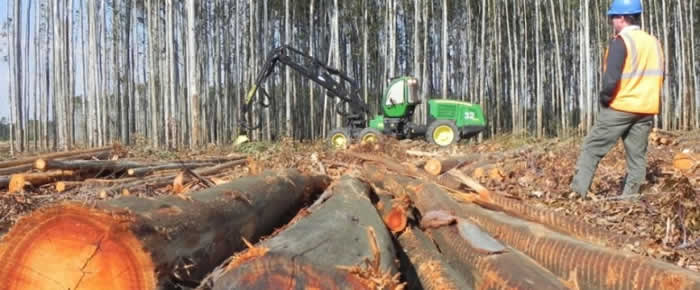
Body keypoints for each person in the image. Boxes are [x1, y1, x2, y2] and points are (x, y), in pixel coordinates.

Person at [570, 0, 664, 199]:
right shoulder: (654, 42)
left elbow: (611, 78)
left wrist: (605, 98)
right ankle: (629, 199)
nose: (612, 20)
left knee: (592, 147)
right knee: (637, 158)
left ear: (623, 17)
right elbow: (661, 75)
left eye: (613, 16)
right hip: (646, 108)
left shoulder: (622, 41)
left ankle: (578, 193)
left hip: (620, 106)